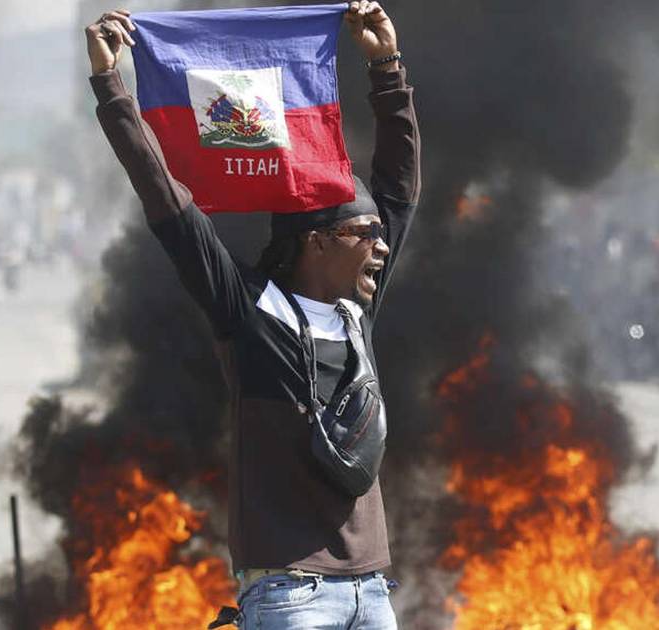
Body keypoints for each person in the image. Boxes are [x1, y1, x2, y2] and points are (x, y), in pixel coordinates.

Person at [86, 3, 418, 628]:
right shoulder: (250, 311)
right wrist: (112, 88)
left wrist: (386, 67)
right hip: (292, 597)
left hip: (372, 593)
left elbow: (399, 192)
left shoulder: (356, 316)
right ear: (317, 242)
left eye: (380, 235)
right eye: (365, 233)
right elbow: (169, 203)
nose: (382, 245)